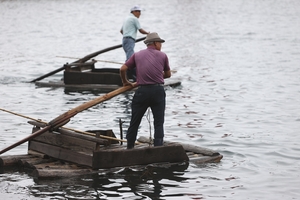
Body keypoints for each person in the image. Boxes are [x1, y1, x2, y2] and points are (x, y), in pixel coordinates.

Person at [120, 32, 171, 149]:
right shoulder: (163, 56)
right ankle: (158, 147)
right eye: (160, 43)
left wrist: (125, 82)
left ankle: (129, 147)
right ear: (155, 43)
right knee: (159, 122)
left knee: (135, 121)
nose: (161, 45)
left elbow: (123, 69)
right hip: (158, 91)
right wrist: (156, 75)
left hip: (142, 91)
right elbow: (168, 74)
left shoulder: (137, 55)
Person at [120, 5, 149, 80]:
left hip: (125, 40)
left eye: (140, 12)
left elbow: (121, 31)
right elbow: (140, 30)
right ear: (134, 12)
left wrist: (127, 34)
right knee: (130, 59)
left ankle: (130, 75)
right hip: (130, 40)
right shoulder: (134, 19)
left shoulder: (127, 18)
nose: (140, 13)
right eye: (138, 11)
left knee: (129, 57)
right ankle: (131, 76)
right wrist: (148, 33)